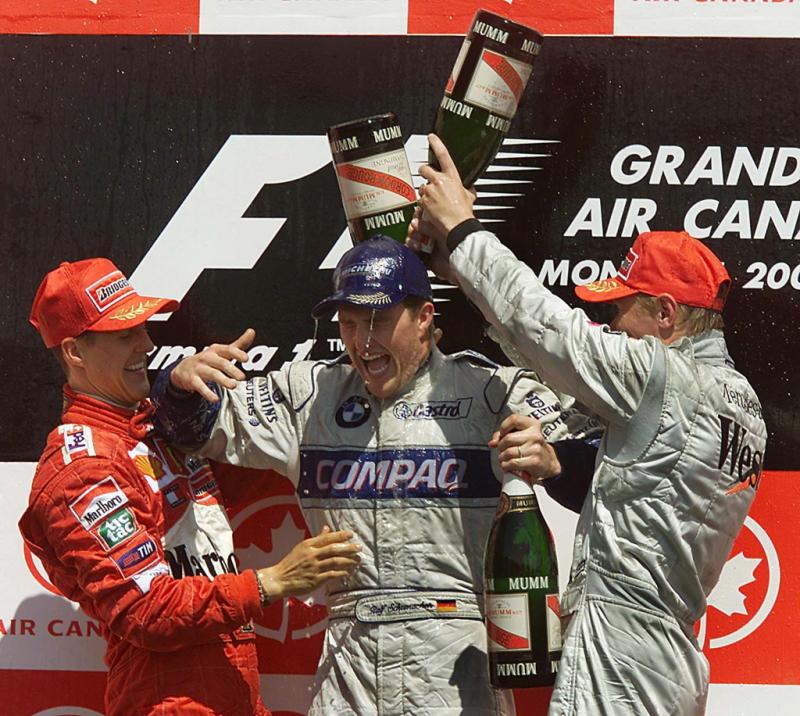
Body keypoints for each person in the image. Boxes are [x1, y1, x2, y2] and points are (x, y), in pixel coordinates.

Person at [151, 236, 600, 716]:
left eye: (378, 320)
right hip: (350, 666)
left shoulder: (491, 392)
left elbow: (605, 471)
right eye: (349, 323)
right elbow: (192, 430)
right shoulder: (311, 395)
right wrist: (179, 384)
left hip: (455, 665)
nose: (362, 342)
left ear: (424, 317)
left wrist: (553, 460)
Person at [408, 134, 768, 715]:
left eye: (619, 309)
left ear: (666, 313)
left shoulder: (666, 380)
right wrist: (463, 273)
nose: (611, 324)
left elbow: (550, 331)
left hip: (619, 653)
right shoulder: (739, 403)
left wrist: (464, 231)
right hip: (670, 655)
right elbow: (569, 379)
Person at [18, 257, 361, 716]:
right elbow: (148, 610)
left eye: (142, 328)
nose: (146, 344)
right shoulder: (83, 468)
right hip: (169, 703)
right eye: (125, 335)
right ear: (75, 352)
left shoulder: (154, 431)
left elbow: (261, 465)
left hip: (231, 694)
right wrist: (273, 581)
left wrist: (177, 397)